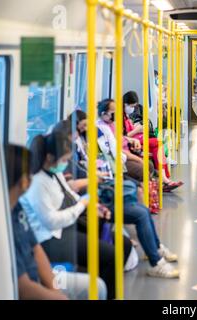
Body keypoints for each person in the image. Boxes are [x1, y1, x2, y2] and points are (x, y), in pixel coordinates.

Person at [65, 111, 181, 279]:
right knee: (141, 213)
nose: (83, 130)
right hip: (96, 195)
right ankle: (156, 262)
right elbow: (76, 182)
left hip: (102, 185)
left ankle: (156, 248)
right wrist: (97, 176)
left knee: (142, 207)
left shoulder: (84, 143)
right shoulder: (71, 154)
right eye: (81, 127)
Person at [17, 133, 125, 299]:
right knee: (111, 256)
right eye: (64, 160)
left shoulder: (54, 173)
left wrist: (91, 205)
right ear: (50, 157)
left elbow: (70, 195)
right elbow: (51, 221)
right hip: (51, 238)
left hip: (64, 228)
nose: (65, 164)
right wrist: (81, 206)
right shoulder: (37, 183)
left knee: (115, 244)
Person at [122, 91, 183, 191]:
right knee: (157, 143)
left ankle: (165, 179)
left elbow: (129, 128)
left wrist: (137, 127)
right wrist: (136, 130)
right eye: (131, 106)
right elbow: (123, 137)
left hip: (135, 138)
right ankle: (165, 179)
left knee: (158, 146)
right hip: (131, 141)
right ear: (125, 104)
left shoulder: (126, 116)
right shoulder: (119, 118)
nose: (132, 109)